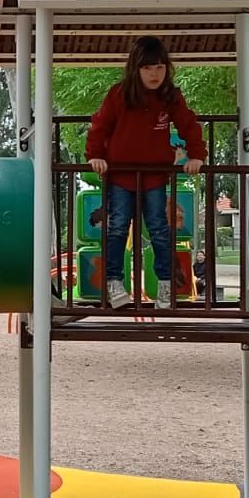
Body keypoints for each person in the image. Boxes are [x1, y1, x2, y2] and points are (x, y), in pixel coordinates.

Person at [84, 36, 206, 311]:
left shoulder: (170, 96)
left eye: (160, 68)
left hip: (154, 175)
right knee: (116, 228)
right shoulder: (119, 94)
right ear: (135, 69)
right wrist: (95, 155)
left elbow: (188, 123)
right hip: (121, 175)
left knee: (160, 230)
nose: (155, 74)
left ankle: (165, 284)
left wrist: (197, 155)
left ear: (167, 69)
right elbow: (100, 126)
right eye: (148, 68)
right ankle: (114, 282)